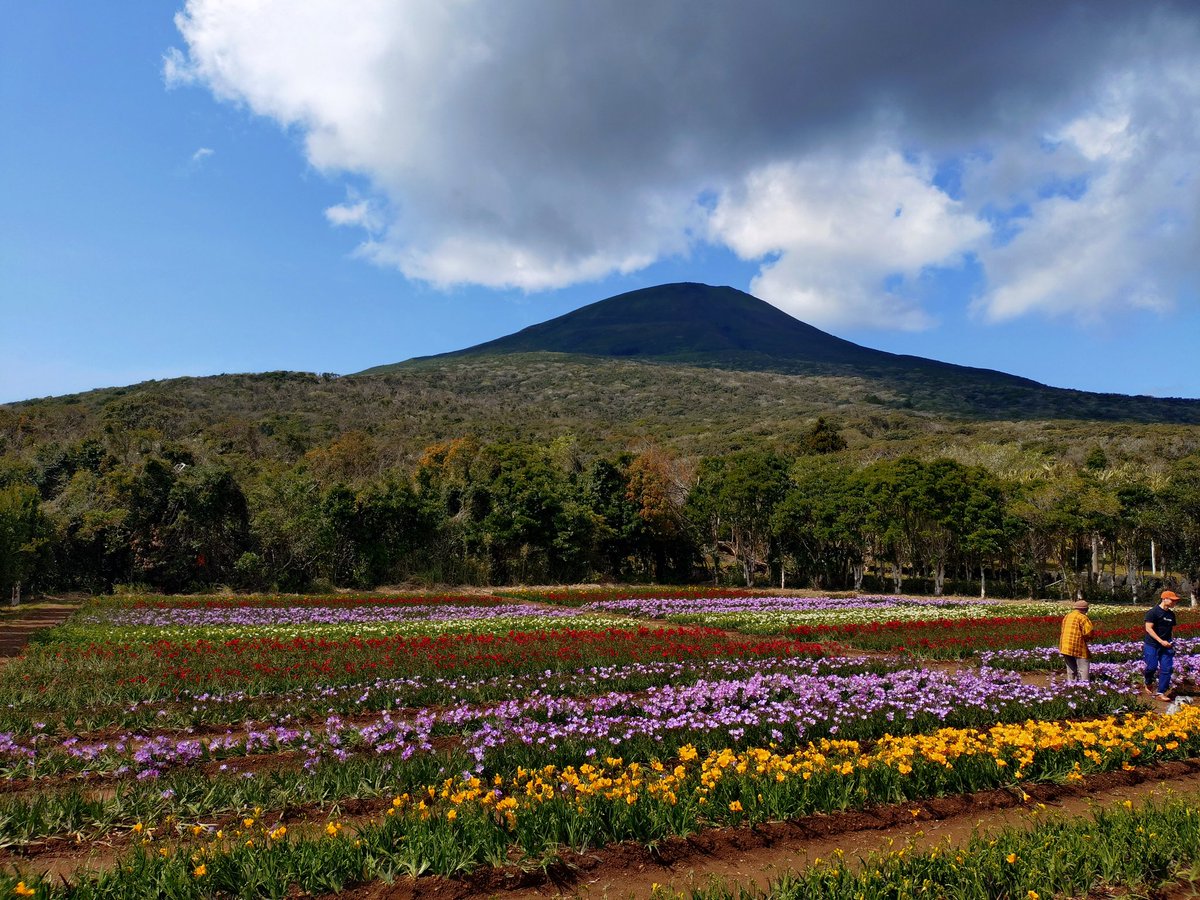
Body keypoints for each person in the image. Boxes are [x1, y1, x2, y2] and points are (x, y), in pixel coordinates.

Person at [1145, 589, 1181, 701]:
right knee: (1152, 667)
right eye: (1172, 600)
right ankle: (1148, 681)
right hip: (1152, 645)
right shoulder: (1153, 612)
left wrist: (1171, 642)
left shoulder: (1171, 614)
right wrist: (1160, 641)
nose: (1174, 603)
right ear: (1164, 599)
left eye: (1175, 601)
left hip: (1166, 645)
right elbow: (1148, 628)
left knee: (1167, 668)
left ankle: (1161, 692)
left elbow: (1171, 630)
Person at [1059, 599, 1093, 682]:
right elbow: (1088, 632)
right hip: (1077, 645)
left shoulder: (1067, 616)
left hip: (1065, 646)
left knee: (1071, 668)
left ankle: (1071, 685)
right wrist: (1088, 640)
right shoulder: (1083, 617)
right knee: (1083, 666)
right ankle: (1084, 684)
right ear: (1085, 609)